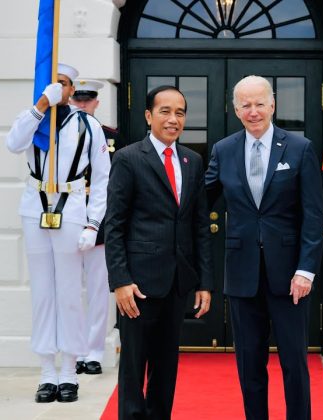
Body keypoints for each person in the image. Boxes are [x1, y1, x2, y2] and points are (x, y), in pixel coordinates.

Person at [205, 75, 323, 420]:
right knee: (249, 364)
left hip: (290, 277)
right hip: (242, 275)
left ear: (272, 105)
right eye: (246, 105)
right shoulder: (223, 150)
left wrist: (306, 270)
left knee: (294, 363)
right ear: (235, 110)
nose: (253, 111)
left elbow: (313, 215)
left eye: (259, 103)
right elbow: (200, 203)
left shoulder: (300, 148)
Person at [105, 85, 213, 419]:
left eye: (180, 113)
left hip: (177, 282)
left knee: (166, 366)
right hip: (137, 284)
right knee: (134, 365)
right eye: (165, 111)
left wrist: (204, 282)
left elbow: (199, 225)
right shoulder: (128, 158)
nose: (173, 119)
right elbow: (114, 224)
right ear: (149, 116)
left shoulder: (192, 161)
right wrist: (120, 280)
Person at [5, 63, 111, 403]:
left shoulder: (88, 125)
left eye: (63, 83)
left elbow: (103, 178)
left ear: (72, 89)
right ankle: (46, 372)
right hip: (35, 207)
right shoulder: (32, 118)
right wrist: (40, 106)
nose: (59, 88)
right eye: (53, 83)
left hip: (72, 207)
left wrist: (94, 223)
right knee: (42, 292)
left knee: (68, 293)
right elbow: (13, 143)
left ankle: (69, 370)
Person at [70, 78, 118, 375]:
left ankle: (95, 351)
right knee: (71, 289)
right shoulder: (60, 135)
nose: (82, 104)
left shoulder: (111, 137)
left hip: (102, 222)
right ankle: (75, 350)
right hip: (68, 216)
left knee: (99, 290)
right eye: (78, 99)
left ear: (96, 103)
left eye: (87, 100)